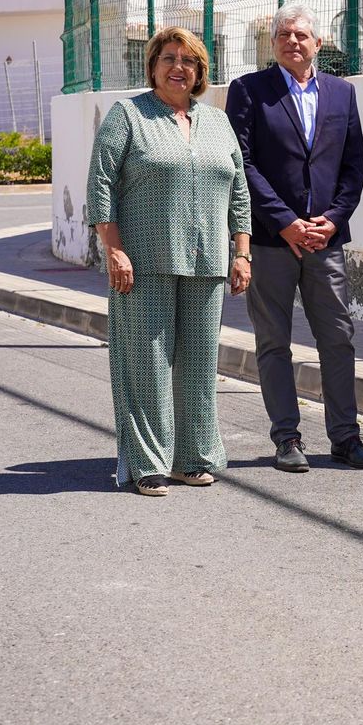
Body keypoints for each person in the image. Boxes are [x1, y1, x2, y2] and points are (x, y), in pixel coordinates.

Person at [86, 27, 252, 496]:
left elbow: (239, 192)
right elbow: (100, 183)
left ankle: (191, 458)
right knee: (147, 366)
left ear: (201, 71)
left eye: (189, 60)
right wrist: (114, 248)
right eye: (169, 58)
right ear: (153, 66)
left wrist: (242, 252)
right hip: (144, 262)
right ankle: (147, 464)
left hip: (207, 262)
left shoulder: (217, 122)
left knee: (199, 366)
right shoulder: (128, 115)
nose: (179, 67)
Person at [225, 4, 363, 472]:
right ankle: (287, 438)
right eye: (284, 34)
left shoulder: (342, 93)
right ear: (273, 43)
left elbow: (354, 164)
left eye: (301, 35)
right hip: (272, 241)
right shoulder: (249, 90)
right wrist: (285, 221)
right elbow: (242, 163)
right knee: (274, 341)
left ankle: (346, 437)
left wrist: (333, 218)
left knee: (338, 338)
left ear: (318, 44)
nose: (292, 41)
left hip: (325, 240)